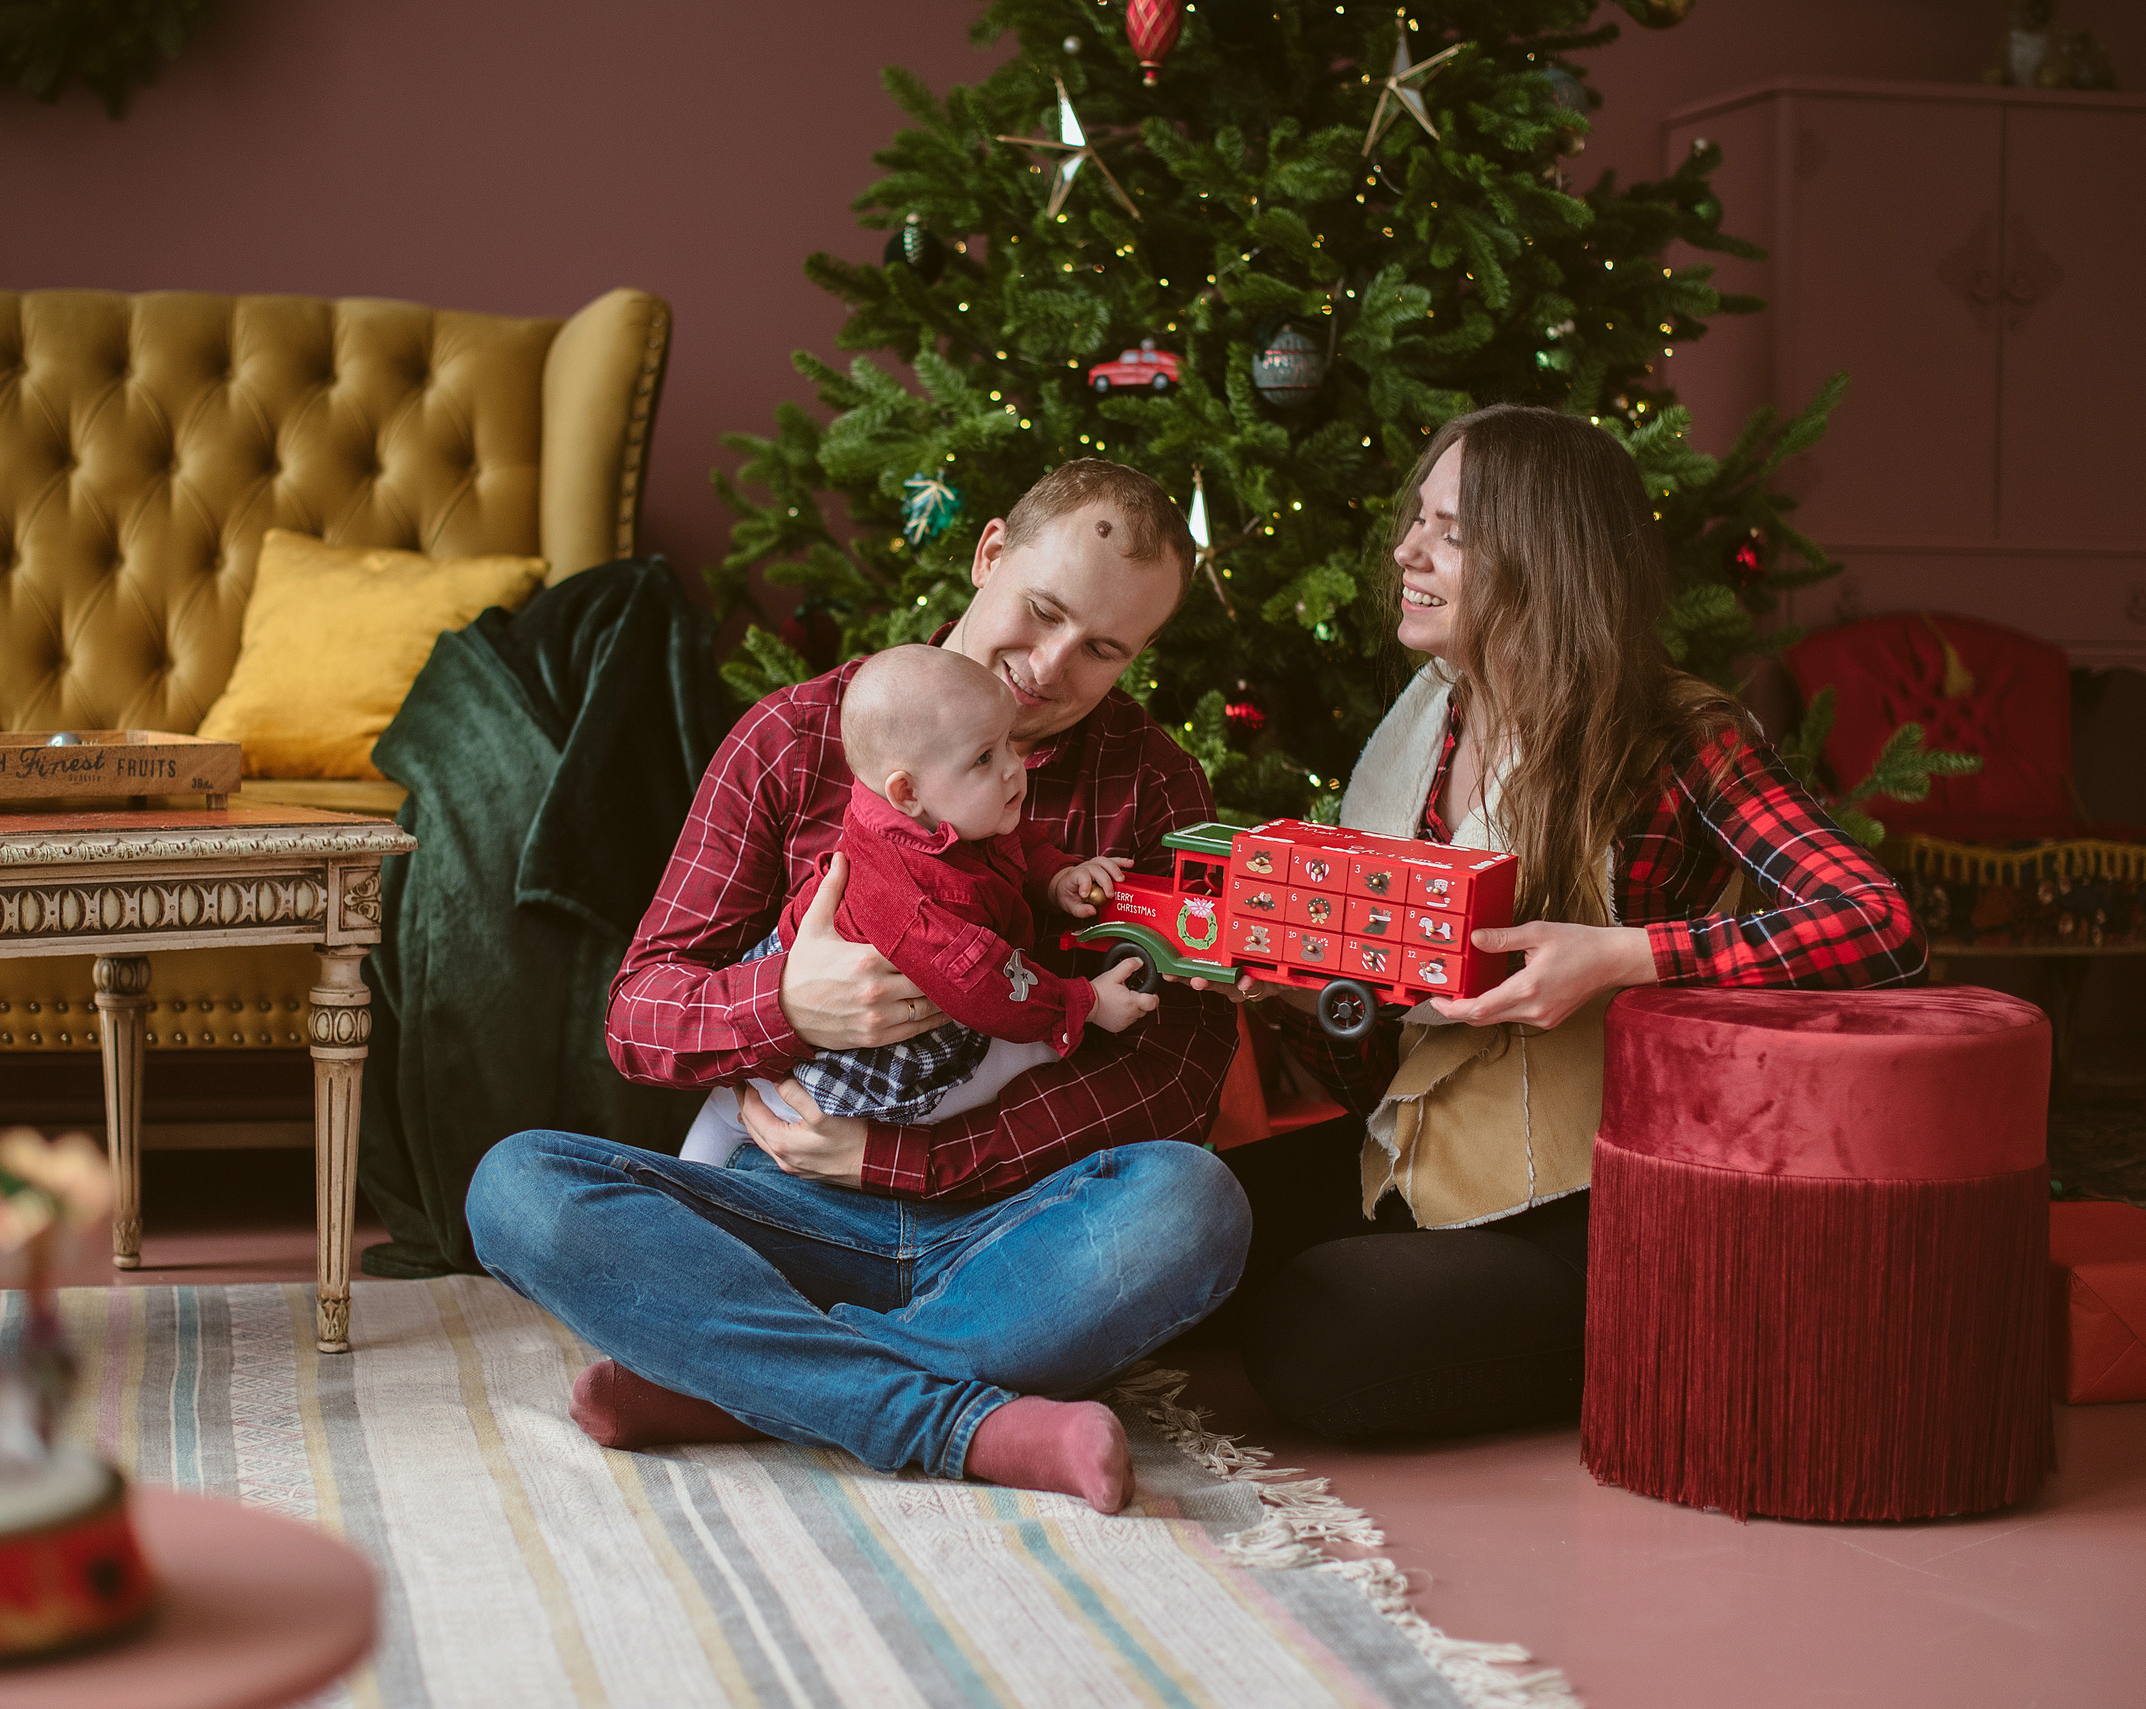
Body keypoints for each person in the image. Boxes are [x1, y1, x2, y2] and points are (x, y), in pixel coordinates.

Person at [465, 460, 1247, 1514]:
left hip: (1012, 1234)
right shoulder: (793, 739)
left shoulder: (1151, 783)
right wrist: (786, 1005)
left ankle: (745, 1385)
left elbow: (1175, 1075)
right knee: (518, 1186)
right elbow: (639, 1013)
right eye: (1043, 610)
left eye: (1103, 649)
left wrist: (913, 1161)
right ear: (989, 554)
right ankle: (955, 1417)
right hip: (783, 1207)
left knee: (1194, 1204)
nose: (1049, 665)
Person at [1214, 404, 1926, 1442]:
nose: (1406, 551)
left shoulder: (1679, 734)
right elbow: (1397, 1068)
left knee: (1320, 1335)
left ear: (1545, 559)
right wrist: (1308, 998)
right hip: (1410, 1155)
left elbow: (1877, 924)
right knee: (1181, 1230)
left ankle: (1635, 1328)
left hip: (1592, 1198)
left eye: (1453, 532)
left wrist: (1621, 958)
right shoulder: (1431, 722)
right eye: (1418, 519)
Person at [679, 644, 1154, 1161]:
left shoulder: (933, 813)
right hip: (845, 1064)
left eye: (1008, 743)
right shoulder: (920, 906)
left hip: (861, 997)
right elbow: (990, 986)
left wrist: (1056, 875)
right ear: (905, 792)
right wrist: (1084, 1004)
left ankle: (712, 1133)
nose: (1013, 768)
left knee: (723, 1115)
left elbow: (1009, 836)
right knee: (1006, 1056)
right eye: (984, 757)